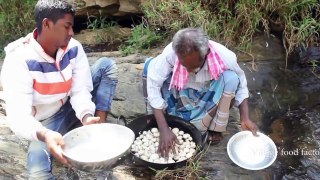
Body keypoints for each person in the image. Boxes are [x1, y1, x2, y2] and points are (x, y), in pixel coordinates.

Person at [1, 0, 118, 179]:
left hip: (70, 103)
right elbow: (19, 117)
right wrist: (46, 135)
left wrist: (86, 115)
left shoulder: (73, 48)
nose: (71, 33)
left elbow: (80, 90)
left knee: (106, 66)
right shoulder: (19, 60)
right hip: (46, 121)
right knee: (38, 174)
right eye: (67, 26)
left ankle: (96, 127)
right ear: (46, 24)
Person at [142, 28, 258, 157]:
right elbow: (153, 85)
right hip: (177, 90)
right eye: (183, 65)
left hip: (206, 92)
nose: (188, 70)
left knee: (231, 78)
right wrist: (164, 129)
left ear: (206, 54)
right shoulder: (170, 54)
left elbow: (241, 84)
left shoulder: (225, 57)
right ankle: (164, 120)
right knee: (150, 66)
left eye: (192, 66)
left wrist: (245, 117)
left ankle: (213, 128)